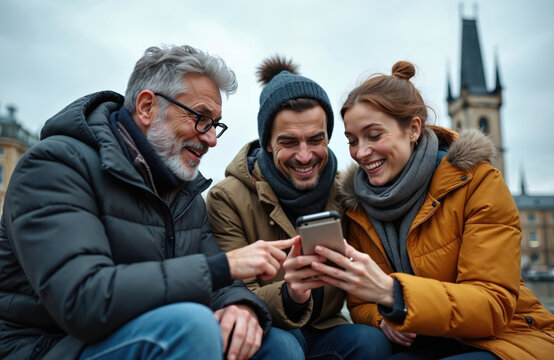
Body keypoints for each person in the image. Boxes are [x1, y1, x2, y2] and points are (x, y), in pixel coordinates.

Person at [0, 45, 303, 360]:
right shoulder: (56, 166)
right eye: (201, 118)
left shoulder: (186, 195)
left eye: (216, 125)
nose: (212, 139)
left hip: (147, 330)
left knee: (275, 345)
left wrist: (240, 307)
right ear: (146, 107)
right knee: (193, 327)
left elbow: (219, 281)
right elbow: (83, 301)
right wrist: (223, 267)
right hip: (48, 347)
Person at [309, 60, 554, 359]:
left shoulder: (477, 183)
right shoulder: (358, 205)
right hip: (426, 341)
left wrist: (394, 294)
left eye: (374, 136)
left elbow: (493, 305)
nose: (360, 152)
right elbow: (361, 304)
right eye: (352, 140)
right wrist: (382, 318)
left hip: (504, 340)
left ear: (413, 129)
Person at [206, 56, 391, 359]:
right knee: (285, 348)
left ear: (328, 137)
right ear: (267, 142)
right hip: (270, 327)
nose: (304, 156)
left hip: (326, 326)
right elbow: (235, 293)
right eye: (289, 142)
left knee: (372, 343)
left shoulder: (348, 191)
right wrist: (290, 294)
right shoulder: (226, 198)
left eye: (315, 140)